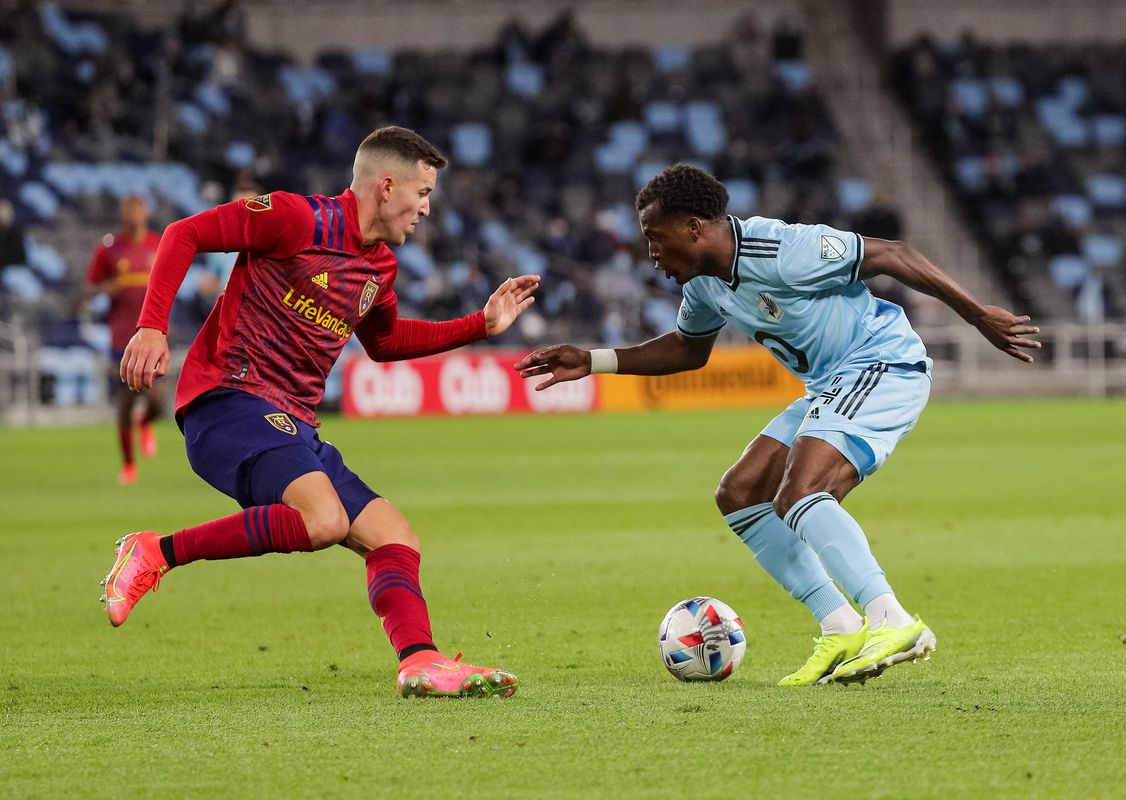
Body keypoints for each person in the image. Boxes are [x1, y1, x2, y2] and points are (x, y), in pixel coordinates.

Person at [517, 164, 1040, 686]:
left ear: (694, 228)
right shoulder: (703, 285)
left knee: (801, 491)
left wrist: (977, 317)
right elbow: (689, 349)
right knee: (740, 493)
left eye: (656, 237)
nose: (650, 253)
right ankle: (841, 628)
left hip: (881, 362)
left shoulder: (782, 250)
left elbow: (895, 255)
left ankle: (892, 619)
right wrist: (594, 360)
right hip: (829, 384)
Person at [101, 126, 539, 698]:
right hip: (228, 402)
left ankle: (420, 660)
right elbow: (185, 233)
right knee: (324, 520)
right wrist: (152, 326)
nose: (428, 209)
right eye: (423, 192)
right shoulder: (294, 219)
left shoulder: (379, 267)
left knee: (394, 539)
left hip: (292, 425)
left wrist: (478, 326)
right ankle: (156, 551)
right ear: (386, 186)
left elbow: (384, 343)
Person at [85, 196, 165, 485]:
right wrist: (109, 288)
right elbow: (91, 286)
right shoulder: (110, 249)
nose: (134, 215)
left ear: (146, 212)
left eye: (138, 208)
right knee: (126, 399)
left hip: (154, 332)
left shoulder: (159, 244)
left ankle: (146, 423)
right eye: (128, 209)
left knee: (157, 399)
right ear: (121, 214)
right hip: (122, 335)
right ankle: (129, 464)